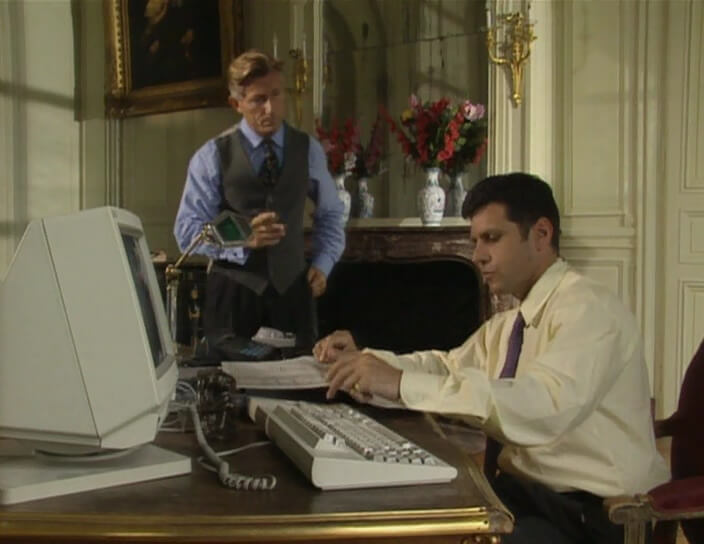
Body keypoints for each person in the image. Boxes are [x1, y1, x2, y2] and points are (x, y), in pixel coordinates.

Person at [314, 173, 669, 543]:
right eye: (474, 241)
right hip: (526, 496)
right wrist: (365, 363)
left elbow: (541, 406)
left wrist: (401, 383)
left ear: (541, 234)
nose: (478, 255)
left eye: (492, 238)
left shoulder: (589, 309)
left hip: (594, 514)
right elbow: (447, 366)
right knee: (400, 514)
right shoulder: (510, 324)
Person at [174, 49, 345, 351]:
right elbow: (187, 230)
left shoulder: (308, 149)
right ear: (236, 104)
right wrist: (242, 238)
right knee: (231, 379)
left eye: (276, 95)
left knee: (301, 378)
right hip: (232, 298)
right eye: (258, 99)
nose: (270, 108)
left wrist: (323, 262)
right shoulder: (212, 156)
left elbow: (332, 213)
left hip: (293, 295)